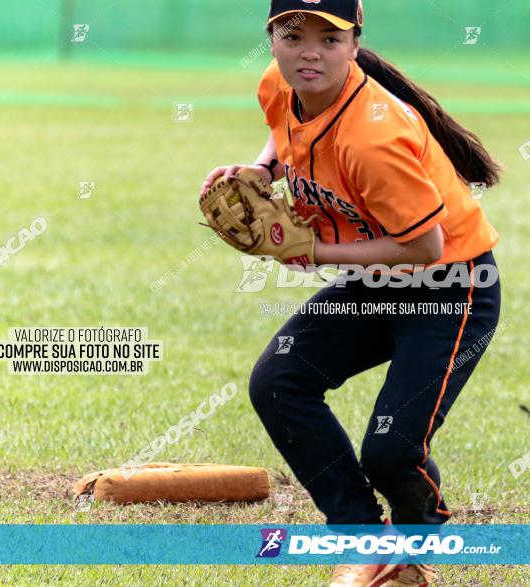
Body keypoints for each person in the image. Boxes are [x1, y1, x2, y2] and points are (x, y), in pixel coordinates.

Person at [201, 1, 502, 584]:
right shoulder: (279, 85)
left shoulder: (374, 137)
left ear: (354, 45)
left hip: (449, 287)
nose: (309, 52)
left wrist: (312, 253)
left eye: (329, 38)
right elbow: (283, 133)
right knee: (279, 382)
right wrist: (264, 171)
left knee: (390, 453)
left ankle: (418, 534)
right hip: (373, 280)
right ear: (272, 41)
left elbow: (424, 248)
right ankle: (364, 538)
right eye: (293, 35)